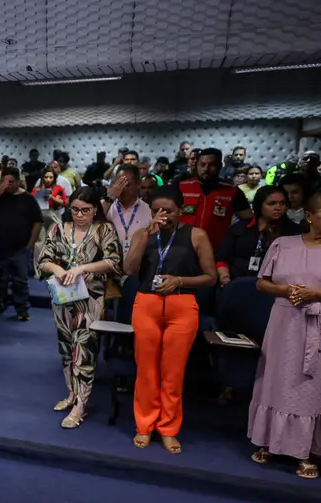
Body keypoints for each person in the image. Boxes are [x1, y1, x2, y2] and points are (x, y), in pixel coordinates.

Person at [124, 186, 217, 454]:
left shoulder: (196, 234)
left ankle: (168, 429)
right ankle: (144, 425)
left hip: (182, 304)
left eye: (168, 211)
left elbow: (210, 277)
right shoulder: (143, 233)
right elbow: (130, 269)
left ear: (181, 210)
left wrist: (179, 280)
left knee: (173, 373)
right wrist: (146, 236)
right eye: (156, 211)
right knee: (146, 371)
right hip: (146, 303)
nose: (162, 215)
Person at [249, 191, 321, 479]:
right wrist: (286, 290)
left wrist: (315, 294)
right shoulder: (283, 244)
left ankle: (306, 452)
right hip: (283, 322)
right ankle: (270, 441)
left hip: (316, 324)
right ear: (309, 216)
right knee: (275, 381)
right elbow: (261, 284)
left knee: (310, 387)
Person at [37, 187, 122, 427]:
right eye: (75, 209)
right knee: (65, 347)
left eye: (85, 210)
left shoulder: (104, 230)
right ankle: (72, 393)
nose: (80, 215)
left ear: (95, 210)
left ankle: (81, 406)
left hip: (91, 297)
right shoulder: (58, 229)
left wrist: (83, 268)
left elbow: (114, 262)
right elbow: (43, 260)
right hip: (62, 295)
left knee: (84, 348)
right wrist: (57, 269)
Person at [0, 167, 42, 321]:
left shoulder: (28, 198)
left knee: (20, 281)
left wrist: (30, 245)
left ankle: (22, 310)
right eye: (5, 182)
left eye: (11, 182)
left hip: (21, 247)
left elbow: (37, 222)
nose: (8, 185)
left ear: (18, 181)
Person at [216, 186, 301, 285]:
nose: (278, 208)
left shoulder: (293, 232)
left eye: (282, 203)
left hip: (274, 287)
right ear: (259, 205)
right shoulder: (240, 228)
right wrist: (224, 275)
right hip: (236, 282)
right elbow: (222, 258)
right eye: (271, 203)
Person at [175, 147, 253, 251]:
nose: (206, 169)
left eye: (211, 165)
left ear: (220, 166)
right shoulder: (181, 187)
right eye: (202, 164)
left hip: (217, 249)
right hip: (183, 248)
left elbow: (249, 220)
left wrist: (233, 237)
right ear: (196, 165)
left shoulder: (232, 191)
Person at [103, 165, 153, 258]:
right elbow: (92, 224)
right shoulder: (106, 205)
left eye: (127, 184)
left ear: (138, 184)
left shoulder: (148, 210)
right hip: (109, 262)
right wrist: (109, 198)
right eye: (119, 184)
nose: (122, 189)